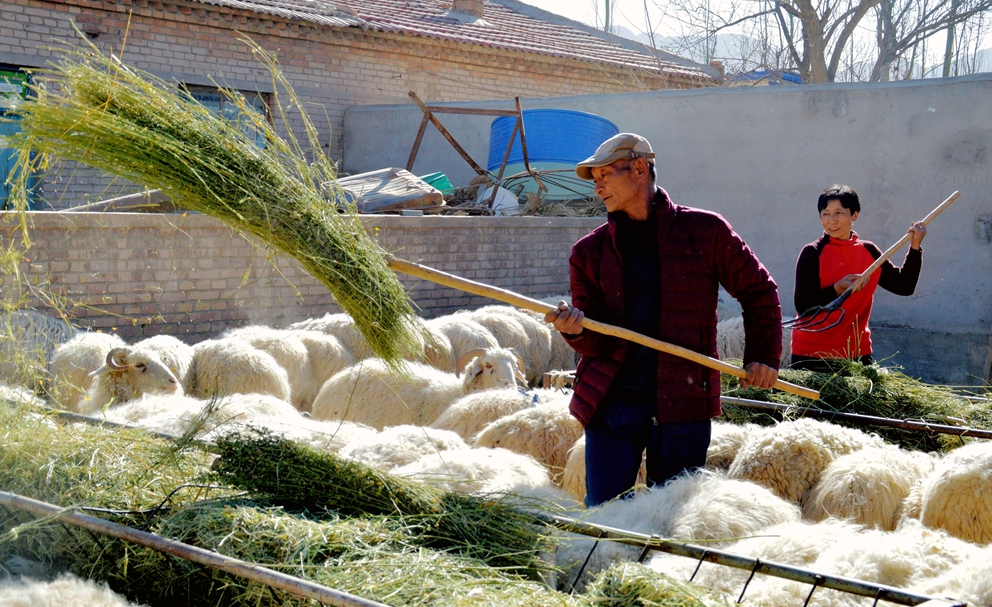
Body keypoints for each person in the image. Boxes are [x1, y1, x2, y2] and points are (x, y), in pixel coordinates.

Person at [544, 133, 782, 507]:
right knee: (606, 517)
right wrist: (576, 330)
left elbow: (759, 291)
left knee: (671, 521)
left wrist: (763, 357)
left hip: (683, 402)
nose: (598, 186)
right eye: (595, 179)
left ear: (640, 169)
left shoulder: (705, 233)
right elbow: (598, 340)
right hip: (612, 404)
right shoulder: (589, 252)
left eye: (606, 174)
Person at [790, 184, 927, 372]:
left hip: (856, 353)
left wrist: (915, 247)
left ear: (854, 215)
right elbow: (803, 306)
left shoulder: (868, 252)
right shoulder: (812, 253)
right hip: (812, 354)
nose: (832, 220)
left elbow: (904, 286)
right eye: (826, 213)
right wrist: (837, 289)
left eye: (839, 212)